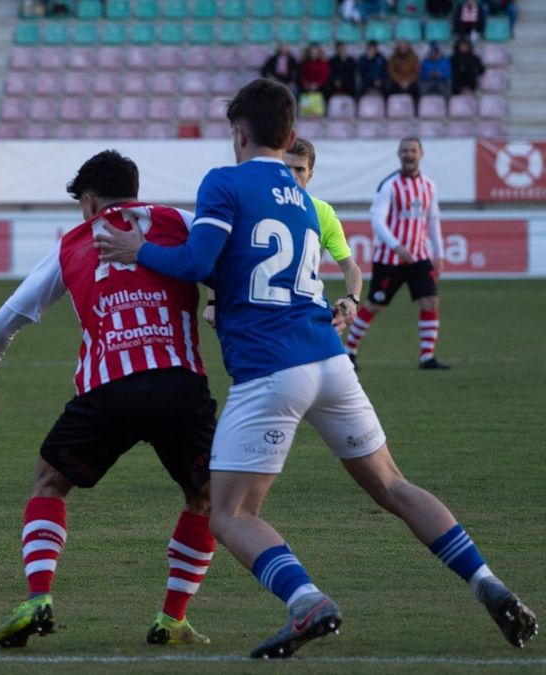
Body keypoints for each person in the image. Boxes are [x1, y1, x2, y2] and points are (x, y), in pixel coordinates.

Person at [94, 78, 538, 659]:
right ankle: (489, 582)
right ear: (291, 137)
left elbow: (198, 261)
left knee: (229, 512)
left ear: (240, 133)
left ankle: (306, 601)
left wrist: (138, 252)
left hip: (270, 369)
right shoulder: (305, 200)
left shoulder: (224, 181)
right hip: (330, 360)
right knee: (393, 486)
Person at [0, 150, 220, 649]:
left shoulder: (72, 241)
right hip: (179, 385)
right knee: (205, 498)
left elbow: (5, 319)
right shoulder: (179, 222)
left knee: (49, 483)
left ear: (90, 201)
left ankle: (39, 597)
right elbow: (224, 263)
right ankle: (172, 618)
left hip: (106, 390)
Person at [204, 137, 363, 331]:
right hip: (254, 314)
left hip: (303, 312)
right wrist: (212, 302)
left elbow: (350, 268)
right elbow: (217, 255)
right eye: (286, 167)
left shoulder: (323, 213)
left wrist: (352, 300)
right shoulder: (251, 205)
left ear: (310, 175)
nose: (292, 175)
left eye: (300, 169)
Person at [346, 138, 450, 370]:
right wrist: (397, 247)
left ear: (421, 153)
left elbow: (432, 221)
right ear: (398, 154)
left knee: (430, 300)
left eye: (413, 151)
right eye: (405, 151)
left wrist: (439, 254)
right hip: (389, 258)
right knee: (375, 304)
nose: (409, 155)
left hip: (419, 257)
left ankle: (427, 357)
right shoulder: (389, 185)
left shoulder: (428, 186)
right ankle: (349, 352)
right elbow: (377, 221)